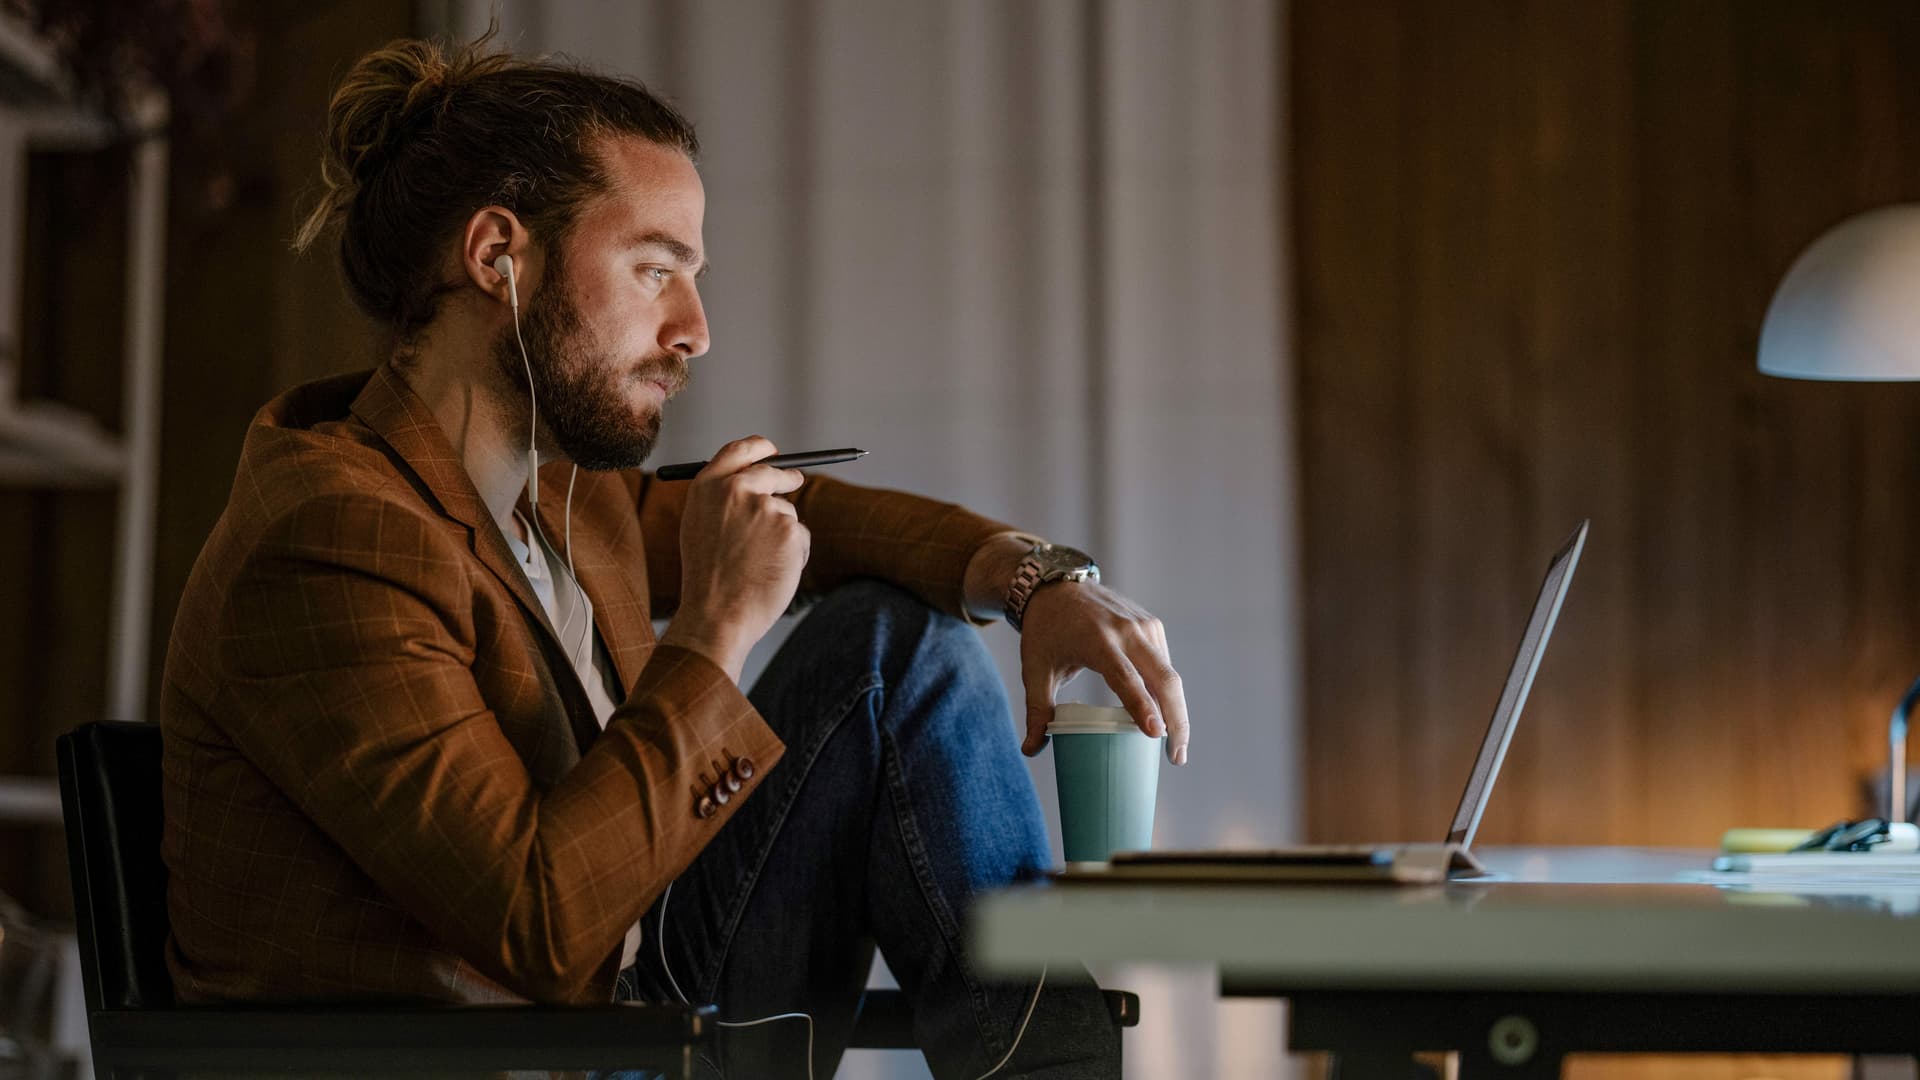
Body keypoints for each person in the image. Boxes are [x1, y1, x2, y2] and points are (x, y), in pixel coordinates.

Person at [158, 32, 1189, 1080]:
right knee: (884, 647)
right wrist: (713, 628)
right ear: (496, 258)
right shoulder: (334, 535)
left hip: (641, 1018)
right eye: (654, 269)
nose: (694, 329)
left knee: (892, 646)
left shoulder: (554, 495)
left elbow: (804, 518)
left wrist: (1033, 581)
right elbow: (541, 927)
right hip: (529, 1050)